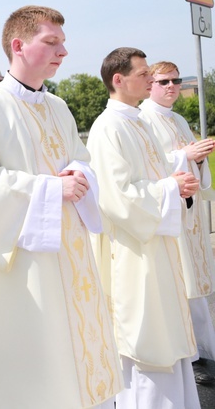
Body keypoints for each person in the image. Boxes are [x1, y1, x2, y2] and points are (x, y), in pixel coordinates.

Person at [0, 6, 121, 408]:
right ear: (18, 46)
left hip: (70, 253)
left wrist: (79, 175)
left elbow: (81, 159)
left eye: (63, 42)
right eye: (51, 42)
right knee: (39, 374)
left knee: (76, 364)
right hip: (23, 264)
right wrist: (49, 190)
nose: (63, 51)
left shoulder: (58, 107)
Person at [88, 48, 200, 408]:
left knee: (167, 332)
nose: (152, 79)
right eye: (144, 74)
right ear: (118, 80)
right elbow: (116, 195)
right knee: (147, 338)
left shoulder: (137, 121)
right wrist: (169, 188)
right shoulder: (108, 127)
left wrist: (176, 182)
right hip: (134, 250)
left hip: (157, 245)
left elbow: (154, 177)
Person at [140, 61, 215, 386]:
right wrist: (184, 154)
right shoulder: (143, 118)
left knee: (195, 288)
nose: (171, 86)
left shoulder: (179, 118)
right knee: (180, 288)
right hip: (168, 213)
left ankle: (206, 352)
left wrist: (196, 156)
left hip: (190, 212)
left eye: (176, 80)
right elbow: (148, 166)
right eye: (163, 81)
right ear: (151, 85)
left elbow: (186, 158)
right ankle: (192, 357)